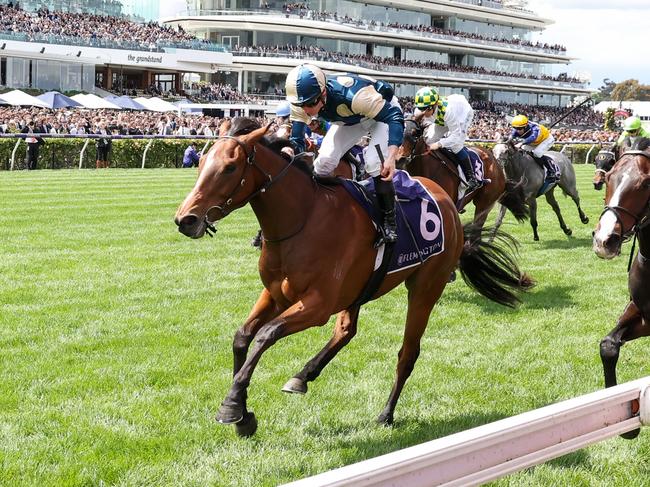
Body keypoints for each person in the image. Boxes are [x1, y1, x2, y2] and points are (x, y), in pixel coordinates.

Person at [286, 63, 403, 243]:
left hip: (382, 113)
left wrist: (391, 155)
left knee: (373, 162)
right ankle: (315, 210)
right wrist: (289, 150)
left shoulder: (355, 96)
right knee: (323, 161)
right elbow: (297, 141)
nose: (307, 110)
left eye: (310, 103)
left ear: (323, 93)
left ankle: (390, 223)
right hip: (352, 119)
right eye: (301, 105)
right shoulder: (301, 104)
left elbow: (394, 116)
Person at [412, 87, 480, 192]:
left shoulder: (448, 112)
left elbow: (455, 136)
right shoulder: (422, 109)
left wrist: (439, 144)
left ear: (434, 106)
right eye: (421, 109)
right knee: (429, 140)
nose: (423, 113)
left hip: (461, 116)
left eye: (426, 110)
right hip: (441, 120)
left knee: (456, 146)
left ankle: (471, 178)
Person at [509, 114, 558, 182]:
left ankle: (551, 170)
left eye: (520, 129)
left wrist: (521, 143)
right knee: (522, 149)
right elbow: (511, 136)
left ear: (525, 126)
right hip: (534, 142)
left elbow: (532, 137)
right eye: (515, 128)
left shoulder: (535, 128)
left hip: (546, 139)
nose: (517, 130)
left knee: (537, 153)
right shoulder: (519, 127)